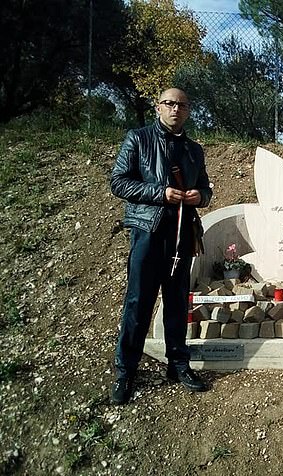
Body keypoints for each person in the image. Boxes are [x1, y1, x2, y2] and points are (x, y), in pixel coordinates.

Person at [110, 88, 212, 404]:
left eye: (182, 104)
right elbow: (118, 182)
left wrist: (201, 197)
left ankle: (178, 364)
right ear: (158, 107)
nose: (175, 109)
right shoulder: (138, 139)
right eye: (169, 103)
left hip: (181, 234)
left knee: (178, 301)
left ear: (188, 110)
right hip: (148, 233)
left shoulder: (195, 150)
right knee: (138, 303)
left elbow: (205, 187)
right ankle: (126, 371)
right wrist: (159, 193)